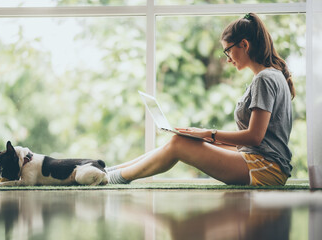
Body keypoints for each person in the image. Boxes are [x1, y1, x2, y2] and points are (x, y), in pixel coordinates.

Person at [107, 13, 295, 186]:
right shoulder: (270, 76)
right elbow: (254, 140)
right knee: (180, 139)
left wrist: (208, 133)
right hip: (261, 161)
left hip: (265, 168)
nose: (228, 59)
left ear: (244, 45)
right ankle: (111, 171)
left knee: (178, 144)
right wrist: (202, 136)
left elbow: (254, 137)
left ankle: (113, 178)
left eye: (227, 50)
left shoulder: (265, 78)